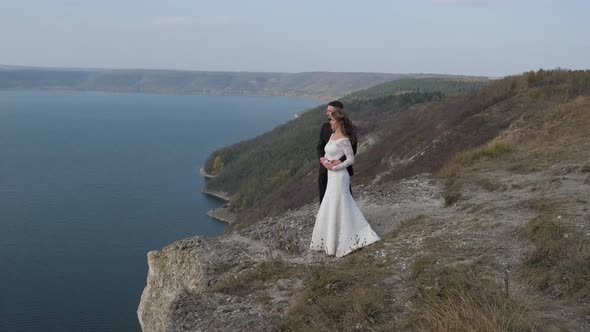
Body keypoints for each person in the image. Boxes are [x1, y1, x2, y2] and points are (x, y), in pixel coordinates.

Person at [310, 109, 380, 257]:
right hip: (331, 175)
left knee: (340, 203)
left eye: (332, 120)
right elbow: (328, 152)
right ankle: (330, 240)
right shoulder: (332, 135)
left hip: (340, 176)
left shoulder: (344, 139)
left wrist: (336, 166)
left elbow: (351, 159)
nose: (330, 122)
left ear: (338, 122)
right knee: (331, 203)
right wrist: (323, 159)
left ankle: (344, 238)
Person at [316, 101, 357, 203]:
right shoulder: (325, 127)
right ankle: (325, 218)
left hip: (341, 170)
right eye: (327, 110)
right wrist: (322, 159)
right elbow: (320, 147)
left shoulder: (350, 129)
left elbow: (352, 150)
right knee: (324, 197)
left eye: (329, 111)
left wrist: (339, 162)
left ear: (338, 112)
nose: (327, 113)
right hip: (324, 170)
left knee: (343, 197)